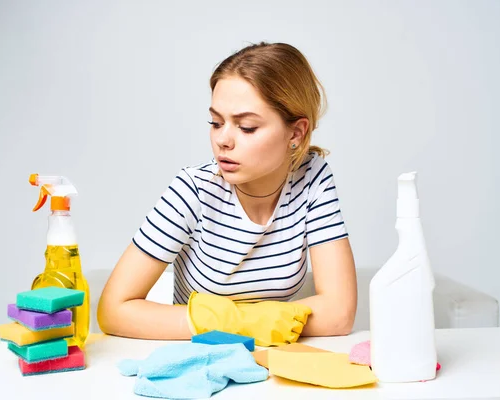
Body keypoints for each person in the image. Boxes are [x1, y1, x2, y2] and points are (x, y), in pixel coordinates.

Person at [98, 42, 357, 343]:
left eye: (246, 127)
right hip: (199, 362)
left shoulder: (312, 178)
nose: (223, 140)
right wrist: (242, 323)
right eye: (216, 122)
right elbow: (113, 310)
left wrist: (239, 325)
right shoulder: (193, 190)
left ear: (296, 134)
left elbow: (339, 312)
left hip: (273, 363)